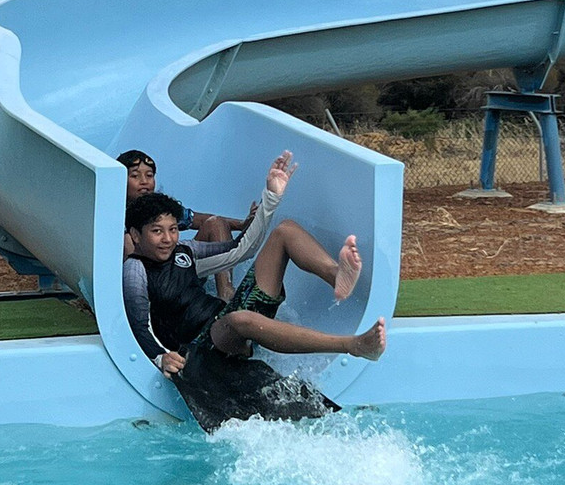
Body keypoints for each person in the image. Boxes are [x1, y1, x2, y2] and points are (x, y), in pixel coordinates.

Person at [122, 150, 387, 380]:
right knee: (240, 318)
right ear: (136, 235)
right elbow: (138, 326)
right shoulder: (135, 269)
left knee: (285, 231)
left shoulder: (185, 252)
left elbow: (242, 249)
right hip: (203, 347)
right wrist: (160, 357)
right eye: (157, 231)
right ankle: (353, 345)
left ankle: (337, 276)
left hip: (228, 327)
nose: (167, 239)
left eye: (172, 230)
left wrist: (271, 198)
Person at [117, 149, 255, 298]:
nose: (144, 181)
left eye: (149, 175)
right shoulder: (114, 213)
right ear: (120, 180)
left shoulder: (160, 207)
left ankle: (226, 293)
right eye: (135, 176)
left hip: (180, 273)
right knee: (128, 241)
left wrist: (241, 225)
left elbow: (201, 220)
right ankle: (144, 299)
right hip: (151, 284)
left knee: (216, 222)